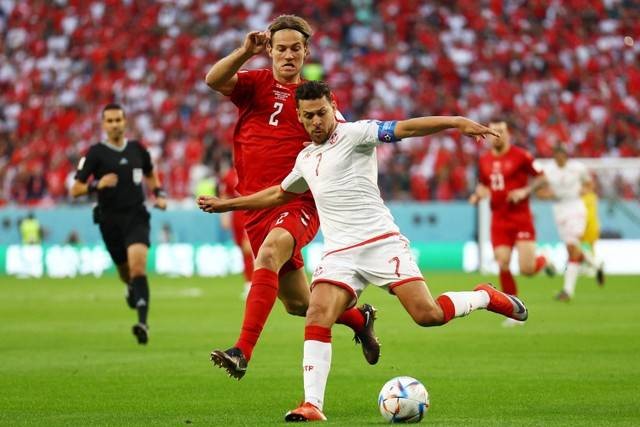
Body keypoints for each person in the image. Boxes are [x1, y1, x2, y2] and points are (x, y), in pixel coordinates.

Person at [198, 80, 529, 422]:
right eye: (309, 116)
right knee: (316, 315)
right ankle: (312, 404)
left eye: (322, 113)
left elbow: (408, 128)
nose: (316, 122)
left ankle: (485, 297)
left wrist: (456, 121)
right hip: (339, 253)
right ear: (299, 116)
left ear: (332, 106)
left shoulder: (356, 134)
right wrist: (229, 205)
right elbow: (280, 194)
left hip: (380, 242)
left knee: (426, 315)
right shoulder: (306, 157)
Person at [204, 15, 378, 379]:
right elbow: (214, 79)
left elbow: (344, 141)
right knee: (299, 304)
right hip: (256, 203)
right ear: (269, 50)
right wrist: (243, 52)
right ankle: (359, 319)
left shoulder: (315, 102)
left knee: (266, 254)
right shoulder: (254, 84)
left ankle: (242, 351)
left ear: (306, 52)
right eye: (280, 48)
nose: (288, 55)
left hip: (295, 202)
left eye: (295, 48)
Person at [70, 103, 167, 344]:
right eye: (110, 121)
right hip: (109, 220)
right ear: (103, 125)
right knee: (126, 273)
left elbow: (150, 173)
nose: (114, 124)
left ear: (125, 122)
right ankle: (130, 288)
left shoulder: (137, 150)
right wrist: (96, 185)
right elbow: (75, 189)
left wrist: (159, 193)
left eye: (118, 120)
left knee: (138, 268)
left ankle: (143, 323)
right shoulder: (95, 154)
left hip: (136, 217)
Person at [469, 120, 553, 326]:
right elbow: (484, 185)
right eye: (494, 131)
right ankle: (514, 310)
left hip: (521, 217)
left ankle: (543, 261)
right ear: (488, 135)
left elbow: (542, 178)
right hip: (499, 218)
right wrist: (478, 195)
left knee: (527, 268)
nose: (498, 134)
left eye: (502, 131)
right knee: (502, 261)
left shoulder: (522, 156)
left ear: (508, 134)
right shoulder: (484, 160)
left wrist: (525, 191)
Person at [540, 144, 604, 301]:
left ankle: (568, 291)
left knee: (571, 247)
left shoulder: (577, 168)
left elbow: (589, 184)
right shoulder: (548, 170)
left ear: (566, 155)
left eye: (562, 154)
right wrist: (546, 195)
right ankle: (596, 265)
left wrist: (585, 191)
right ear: (554, 155)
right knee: (572, 249)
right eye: (557, 154)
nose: (559, 157)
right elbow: (540, 190)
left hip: (576, 207)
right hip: (559, 210)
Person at [218, 162, 254, 298]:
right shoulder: (229, 175)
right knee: (242, 248)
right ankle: (249, 282)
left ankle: (251, 284)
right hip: (236, 214)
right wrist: (224, 217)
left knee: (248, 248)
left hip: (251, 210)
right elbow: (225, 195)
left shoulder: (253, 169)